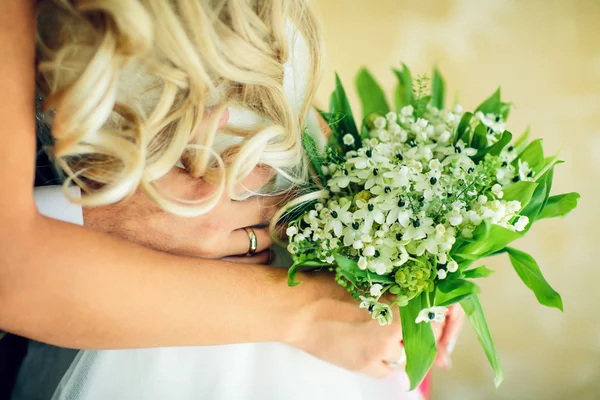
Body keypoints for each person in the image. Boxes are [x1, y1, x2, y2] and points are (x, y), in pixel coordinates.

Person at [0, 1, 462, 399]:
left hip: (308, 346)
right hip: (132, 317)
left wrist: (403, 243)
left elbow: (278, 101)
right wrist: (311, 314)